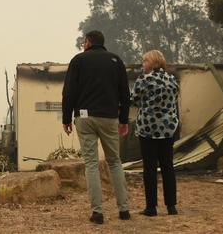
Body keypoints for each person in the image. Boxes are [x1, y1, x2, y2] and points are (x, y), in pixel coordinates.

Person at [62, 30, 131, 224]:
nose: (83, 44)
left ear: (88, 42)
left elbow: (69, 92)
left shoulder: (78, 60)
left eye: (84, 41)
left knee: (91, 164)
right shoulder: (116, 61)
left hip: (85, 117)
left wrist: (66, 118)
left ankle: (97, 212)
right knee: (115, 162)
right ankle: (124, 209)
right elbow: (125, 94)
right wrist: (123, 119)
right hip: (109, 117)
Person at [131, 50, 179, 216]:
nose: (142, 65)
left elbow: (134, 100)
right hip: (168, 129)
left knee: (149, 168)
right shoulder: (172, 79)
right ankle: (171, 206)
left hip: (148, 129)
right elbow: (174, 99)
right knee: (168, 166)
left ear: (152, 63)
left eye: (144, 62)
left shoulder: (144, 80)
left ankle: (151, 207)